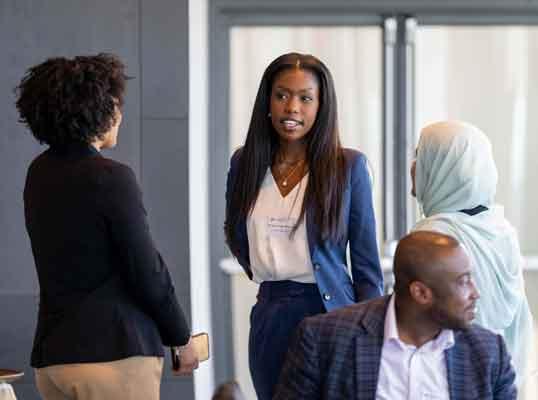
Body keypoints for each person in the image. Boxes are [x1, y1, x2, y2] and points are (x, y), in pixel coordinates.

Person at [16, 54, 198, 400]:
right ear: (96, 110)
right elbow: (146, 271)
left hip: (53, 358)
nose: (120, 115)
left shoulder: (37, 174)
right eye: (115, 104)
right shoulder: (111, 177)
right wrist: (181, 336)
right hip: (113, 356)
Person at [224, 52, 383, 400]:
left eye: (305, 98)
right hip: (272, 312)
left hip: (331, 312)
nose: (291, 107)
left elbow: (367, 262)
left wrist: (372, 334)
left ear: (321, 106)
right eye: (281, 95)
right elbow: (236, 233)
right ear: (268, 101)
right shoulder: (245, 162)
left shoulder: (348, 167)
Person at [274, 231, 517, 400]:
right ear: (421, 293)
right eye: (464, 282)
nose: (476, 293)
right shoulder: (325, 339)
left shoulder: (488, 353)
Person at [411, 120, 534, 387]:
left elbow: (416, 328)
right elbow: (520, 326)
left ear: (444, 168)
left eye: (421, 157)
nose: (413, 167)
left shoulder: (432, 236)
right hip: (503, 379)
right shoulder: (502, 230)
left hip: (451, 381)